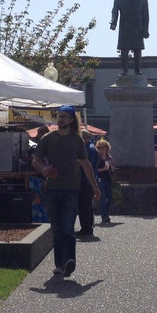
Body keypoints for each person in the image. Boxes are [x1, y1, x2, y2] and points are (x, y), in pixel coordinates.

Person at [32, 105, 100, 278]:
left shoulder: (76, 140)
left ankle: (70, 260)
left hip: (71, 190)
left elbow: (86, 164)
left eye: (64, 116)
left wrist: (95, 188)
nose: (60, 119)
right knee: (57, 229)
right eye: (59, 116)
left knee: (68, 227)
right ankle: (59, 264)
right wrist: (44, 169)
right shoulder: (48, 138)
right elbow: (36, 160)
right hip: (52, 190)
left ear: (71, 120)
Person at [109, 0, 150, 75]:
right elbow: (114, 11)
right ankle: (124, 69)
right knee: (124, 49)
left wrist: (145, 29)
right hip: (125, 27)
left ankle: (137, 69)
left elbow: (146, 15)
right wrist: (113, 22)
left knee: (137, 50)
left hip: (137, 28)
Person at [77, 130, 100, 237]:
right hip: (86, 180)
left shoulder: (89, 149)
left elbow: (86, 164)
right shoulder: (90, 148)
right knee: (85, 205)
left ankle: (87, 228)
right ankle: (86, 227)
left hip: (86, 181)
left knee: (85, 205)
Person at [96, 138, 114, 225]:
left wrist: (111, 165)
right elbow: (94, 170)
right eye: (100, 147)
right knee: (103, 198)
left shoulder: (109, 157)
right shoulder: (97, 158)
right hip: (99, 179)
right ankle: (104, 217)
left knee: (110, 198)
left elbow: (112, 169)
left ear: (107, 148)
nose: (102, 149)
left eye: (104, 147)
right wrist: (103, 169)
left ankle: (106, 214)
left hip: (108, 179)